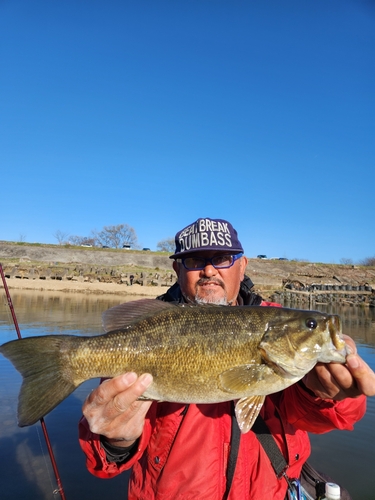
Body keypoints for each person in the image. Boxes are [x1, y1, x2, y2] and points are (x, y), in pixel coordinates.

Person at [79, 217, 375, 500]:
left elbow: (318, 417)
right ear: (176, 269)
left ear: (242, 266)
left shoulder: (279, 324)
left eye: (222, 258)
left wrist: (330, 395)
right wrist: (115, 442)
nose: (208, 270)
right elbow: (105, 452)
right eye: (195, 261)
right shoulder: (149, 331)